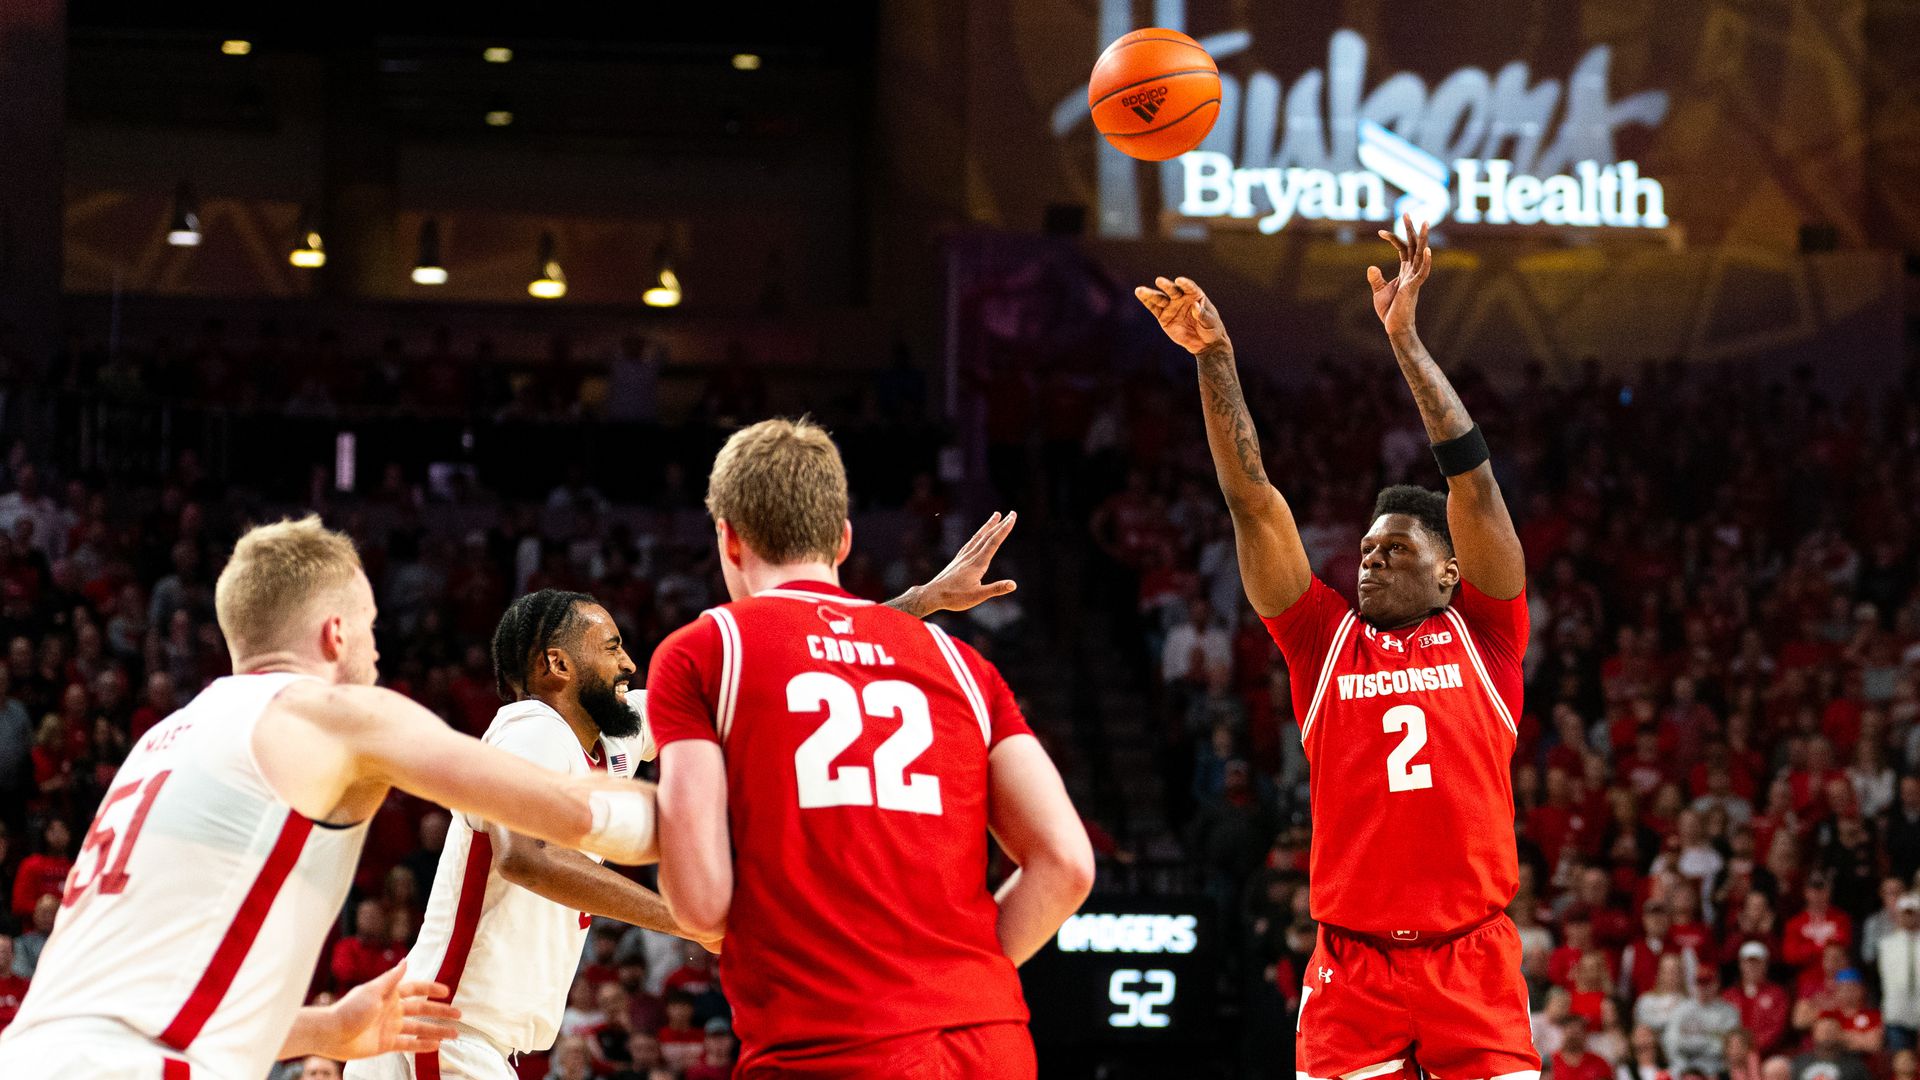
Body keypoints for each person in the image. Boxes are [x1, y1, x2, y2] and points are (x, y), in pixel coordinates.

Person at [349, 514, 1019, 1080]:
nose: (628, 663)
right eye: (610, 648)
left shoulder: (608, 737)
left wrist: (920, 603)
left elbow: (770, 671)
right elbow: (529, 860)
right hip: (437, 1036)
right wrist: (684, 919)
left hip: (464, 1042)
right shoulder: (532, 728)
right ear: (556, 666)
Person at [0, 516, 666, 1079]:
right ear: (336, 633)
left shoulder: (167, 740)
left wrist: (326, 1027)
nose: (378, 651)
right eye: (372, 626)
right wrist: (707, 894)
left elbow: (143, 1000)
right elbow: (557, 816)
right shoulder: (335, 715)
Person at [1136, 221, 1534, 1080]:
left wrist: (1404, 341)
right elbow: (1252, 501)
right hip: (1352, 968)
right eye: (1364, 547)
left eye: (1396, 548)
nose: (1370, 555)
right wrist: (1216, 356)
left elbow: (1472, 477)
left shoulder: (1489, 633)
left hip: (1474, 959)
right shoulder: (1322, 642)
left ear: (1450, 572)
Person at [650, 419, 1093, 1077]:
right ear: (845, 539)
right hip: (988, 1044)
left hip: (830, 1046)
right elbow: (1067, 864)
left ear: (729, 539)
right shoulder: (964, 663)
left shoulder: (704, 650)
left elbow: (702, 904)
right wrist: (954, 980)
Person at [1665, 965, 1741, 1076]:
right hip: (1683, 1066)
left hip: (1715, 1068)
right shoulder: (1681, 1009)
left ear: (1716, 984)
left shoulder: (1728, 1012)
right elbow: (1671, 1042)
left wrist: (1690, 1044)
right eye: (1699, 983)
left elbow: (1726, 1048)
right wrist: (1707, 1042)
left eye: (1707, 983)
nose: (1703, 987)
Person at [1726, 941, 1791, 1056]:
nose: (1752, 967)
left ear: (1765, 965)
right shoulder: (1729, 995)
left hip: (1767, 1054)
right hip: (1732, 1055)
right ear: (1741, 965)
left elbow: (1776, 1029)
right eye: (1748, 963)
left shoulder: (1777, 994)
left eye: (1757, 963)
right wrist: (1735, 1048)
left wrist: (1750, 1048)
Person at [1881, 894, 1920, 1051]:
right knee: (1900, 1061)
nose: (1909, 918)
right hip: (1896, 1012)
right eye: (1906, 913)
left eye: (1913, 913)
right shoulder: (1887, 944)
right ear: (1898, 915)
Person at [1791, 1016, 1872, 1080]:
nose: (1827, 1034)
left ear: (1841, 1034)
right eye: (1823, 1030)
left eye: (1831, 1030)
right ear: (1813, 1033)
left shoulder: (1855, 1067)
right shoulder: (1799, 1063)